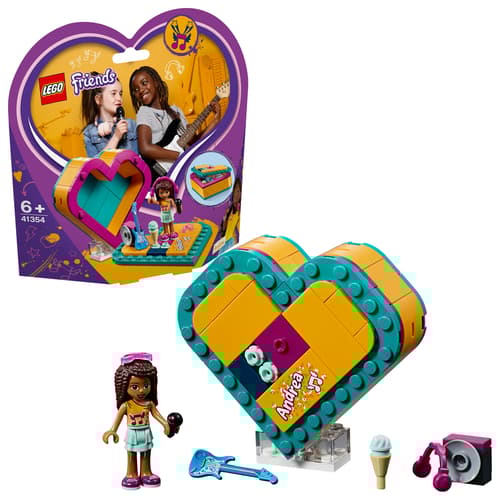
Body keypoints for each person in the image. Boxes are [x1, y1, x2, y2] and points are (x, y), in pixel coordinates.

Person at [102, 353, 180, 489]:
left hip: (145, 431)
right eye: (135, 387)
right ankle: (131, 474)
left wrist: (166, 424)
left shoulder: (149, 403)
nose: (141, 391)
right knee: (131, 453)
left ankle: (146, 473)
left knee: (146, 452)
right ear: (124, 387)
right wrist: (112, 430)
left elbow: (157, 415)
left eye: (146, 385)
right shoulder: (126, 405)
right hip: (132, 432)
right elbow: (118, 419)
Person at [129, 66, 220, 178]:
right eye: (136, 90)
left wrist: (215, 119)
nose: (141, 90)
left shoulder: (176, 111)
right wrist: (180, 155)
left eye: (144, 83)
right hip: (159, 171)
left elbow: (194, 142)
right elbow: (145, 149)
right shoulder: (144, 112)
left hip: (180, 169)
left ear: (156, 82)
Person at [82, 74, 138, 157]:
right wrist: (116, 137)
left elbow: (140, 159)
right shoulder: (89, 133)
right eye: (113, 93)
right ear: (98, 99)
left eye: (120, 94)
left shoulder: (131, 125)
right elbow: (95, 164)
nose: (119, 98)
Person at [148, 176, 182, 243]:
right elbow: (154, 202)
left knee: (171, 223)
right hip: (163, 214)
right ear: (158, 193)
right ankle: (166, 233)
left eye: (166, 192)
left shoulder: (170, 200)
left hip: (169, 213)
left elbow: (174, 205)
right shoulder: (160, 201)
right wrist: (151, 198)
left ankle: (172, 232)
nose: (164, 195)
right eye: (161, 193)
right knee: (165, 224)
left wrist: (178, 206)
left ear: (170, 192)